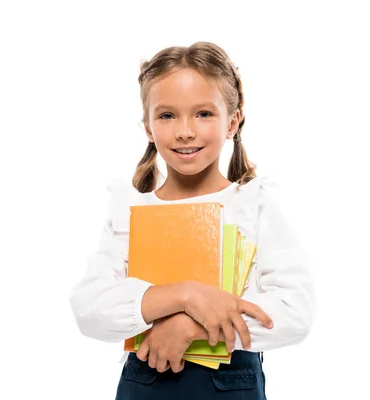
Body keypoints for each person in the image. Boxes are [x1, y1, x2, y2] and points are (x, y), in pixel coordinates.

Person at [69, 41, 316, 399]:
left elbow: (295, 311)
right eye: (167, 115)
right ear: (148, 128)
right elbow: (90, 308)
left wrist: (190, 326)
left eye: (203, 114)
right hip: (145, 385)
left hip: (231, 386)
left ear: (233, 121)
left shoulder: (253, 206)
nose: (185, 131)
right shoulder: (130, 212)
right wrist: (184, 295)